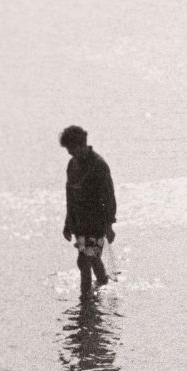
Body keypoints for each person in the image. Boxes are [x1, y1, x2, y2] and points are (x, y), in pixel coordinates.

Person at [59, 124, 116, 295]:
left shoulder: (99, 166)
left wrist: (109, 225)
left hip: (97, 223)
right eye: (68, 150)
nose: (70, 153)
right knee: (91, 258)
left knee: (84, 261)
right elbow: (70, 196)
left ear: (82, 144)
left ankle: (85, 301)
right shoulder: (72, 165)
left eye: (72, 149)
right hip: (79, 223)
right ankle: (103, 280)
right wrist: (68, 224)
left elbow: (108, 197)